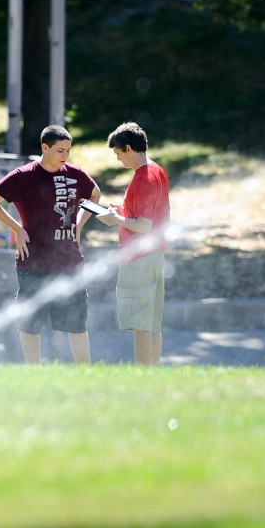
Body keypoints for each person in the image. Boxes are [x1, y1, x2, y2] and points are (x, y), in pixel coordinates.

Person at [0, 125, 101, 364]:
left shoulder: (75, 173)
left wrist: (78, 224)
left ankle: (84, 371)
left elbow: (95, 194)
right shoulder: (24, 175)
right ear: (44, 148)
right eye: (59, 150)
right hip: (33, 261)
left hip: (69, 262)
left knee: (76, 322)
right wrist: (17, 229)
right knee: (30, 323)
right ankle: (32, 370)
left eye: (68, 150)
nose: (65, 156)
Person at [94, 122, 171, 366]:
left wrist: (115, 219)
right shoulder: (157, 171)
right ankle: (153, 374)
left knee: (140, 326)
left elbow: (144, 226)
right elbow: (144, 215)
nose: (119, 160)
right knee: (152, 325)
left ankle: (142, 375)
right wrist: (120, 211)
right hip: (156, 258)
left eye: (118, 154)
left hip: (139, 260)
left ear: (128, 148)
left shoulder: (143, 178)